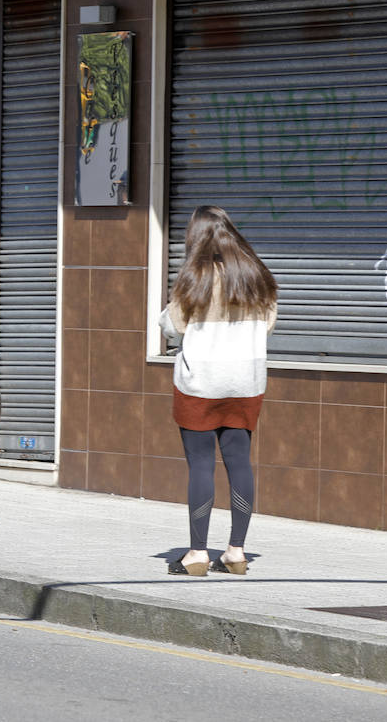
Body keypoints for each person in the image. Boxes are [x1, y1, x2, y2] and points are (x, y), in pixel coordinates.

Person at [159, 205, 277, 576]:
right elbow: (269, 323)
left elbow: (173, 326)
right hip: (246, 382)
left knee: (201, 465)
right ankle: (237, 552)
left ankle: (197, 553)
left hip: (201, 384)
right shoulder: (257, 275)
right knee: (240, 462)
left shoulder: (196, 277)